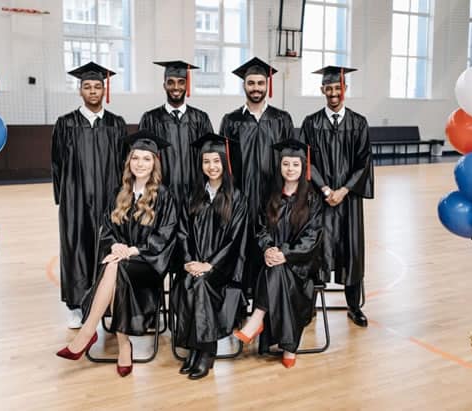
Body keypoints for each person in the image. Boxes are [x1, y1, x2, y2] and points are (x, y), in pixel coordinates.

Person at [56, 130, 177, 378]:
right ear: (128, 162)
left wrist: (133, 250)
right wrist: (114, 247)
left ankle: (87, 333)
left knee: (115, 267)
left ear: (154, 163)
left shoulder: (164, 197)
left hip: (148, 264)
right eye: (135, 158)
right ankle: (123, 345)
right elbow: (107, 230)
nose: (140, 164)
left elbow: (165, 236)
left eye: (146, 159)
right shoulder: (117, 194)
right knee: (116, 267)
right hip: (121, 263)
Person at [51, 62, 128, 329]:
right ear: (79, 90)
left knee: (107, 248)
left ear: (104, 90)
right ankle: (75, 304)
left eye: (97, 86)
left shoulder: (116, 124)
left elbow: (123, 163)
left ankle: (105, 302)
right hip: (75, 199)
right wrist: (64, 199)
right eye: (87, 87)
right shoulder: (66, 124)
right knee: (75, 248)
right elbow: (57, 163)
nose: (93, 91)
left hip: (110, 198)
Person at [234, 138, 323, 368]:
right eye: (286, 164)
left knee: (277, 269)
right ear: (280, 166)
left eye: (295, 164)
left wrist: (285, 253)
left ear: (304, 167)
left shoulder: (312, 199)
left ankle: (258, 317)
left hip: (302, 266)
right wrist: (268, 249)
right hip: (276, 263)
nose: (290, 169)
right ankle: (289, 347)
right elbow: (261, 229)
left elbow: (312, 238)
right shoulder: (271, 196)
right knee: (276, 269)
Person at [299, 65, 374, 327]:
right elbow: (306, 161)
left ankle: (354, 306)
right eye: (329, 88)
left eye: (337, 88)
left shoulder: (358, 123)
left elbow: (364, 163)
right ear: (322, 90)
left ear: (345, 89)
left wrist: (343, 190)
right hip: (320, 201)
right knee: (316, 250)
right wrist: (325, 189)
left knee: (351, 250)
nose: (333, 93)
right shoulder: (311, 123)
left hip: (349, 201)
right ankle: (309, 307)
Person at [170, 133, 248, 380]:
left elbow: (235, 240)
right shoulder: (193, 195)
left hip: (223, 268)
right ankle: (196, 347)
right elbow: (182, 233)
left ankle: (205, 351)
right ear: (200, 165)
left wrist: (209, 265)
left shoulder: (236, 197)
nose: (212, 167)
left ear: (224, 162)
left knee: (201, 283)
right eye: (206, 162)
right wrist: (190, 262)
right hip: (194, 265)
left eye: (216, 161)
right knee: (189, 281)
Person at [219, 57, 294, 291]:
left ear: (267, 85)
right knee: (241, 247)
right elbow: (225, 163)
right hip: (240, 198)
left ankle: (268, 301)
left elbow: (291, 161)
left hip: (273, 198)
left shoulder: (282, 119)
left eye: (260, 83)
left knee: (270, 246)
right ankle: (241, 303)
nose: (256, 88)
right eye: (251, 83)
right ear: (244, 85)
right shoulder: (231, 121)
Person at [139, 60, 214, 212]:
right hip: (161, 196)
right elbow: (142, 160)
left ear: (186, 85)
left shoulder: (200, 119)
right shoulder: (150, 119)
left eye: (181, 82)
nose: (176, 87)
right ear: (164, 85)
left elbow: (210, 157)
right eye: (171, 82)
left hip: (195, 195)